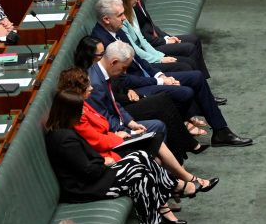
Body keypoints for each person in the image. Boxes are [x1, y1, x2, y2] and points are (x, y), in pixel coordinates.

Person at [92, 0, 251, 147]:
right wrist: (159, 81)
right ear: (106, 19)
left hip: (145, 77)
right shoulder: (100, 42)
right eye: (120, 15)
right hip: (132, 88)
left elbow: (139, 60)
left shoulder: (117, 30)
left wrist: (158, 74)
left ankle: (221, 131)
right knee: (185, 92)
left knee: (196, 77)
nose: (124, 18)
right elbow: (121, 80)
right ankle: (181, 130)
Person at [56, 67, 217, 212]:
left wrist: (119, 134)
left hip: (111, 143)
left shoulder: (84, 105)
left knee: (154, 143)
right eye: (87, 87)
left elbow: (103, 127)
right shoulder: (76, 114)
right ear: (77, 90)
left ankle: (174, 190)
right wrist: (119, 137)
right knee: (151, 148)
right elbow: (96, 141)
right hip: (107, 153)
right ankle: (182, 185)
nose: (91, 88)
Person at [45, 89, 177, 224]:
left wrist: (102, 161)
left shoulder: (64, 131)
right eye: (78, 111)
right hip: (85, 188)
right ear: (67, 113)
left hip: (94, 178)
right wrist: (104, 162)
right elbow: (89, 171)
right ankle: (172, 187)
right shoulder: (64, 139)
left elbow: (89, 162)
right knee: (139, 166)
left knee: (142, 167)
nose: (81, 116)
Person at [85, 39, 205, 161]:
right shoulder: (95, 84)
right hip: (112, 133)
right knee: (157, 125)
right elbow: (104, 120)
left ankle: (170, 169)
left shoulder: (101, 72)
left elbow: (114, 104)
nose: (124, 72)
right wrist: (129, 131)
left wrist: (131, 122)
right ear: (114, 62)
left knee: (158, 124)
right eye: (123, 68)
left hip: (119, 120)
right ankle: (171, 170)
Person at [117, 0, 213, 83]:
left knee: (193, 40)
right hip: (149, 47)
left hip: (149, 45)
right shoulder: (126, 7)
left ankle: (202, 84)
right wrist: (162, 50)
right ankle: (199, 84)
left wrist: (167, 37)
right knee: (188, 55)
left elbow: (149, 25)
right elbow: (138, 43)